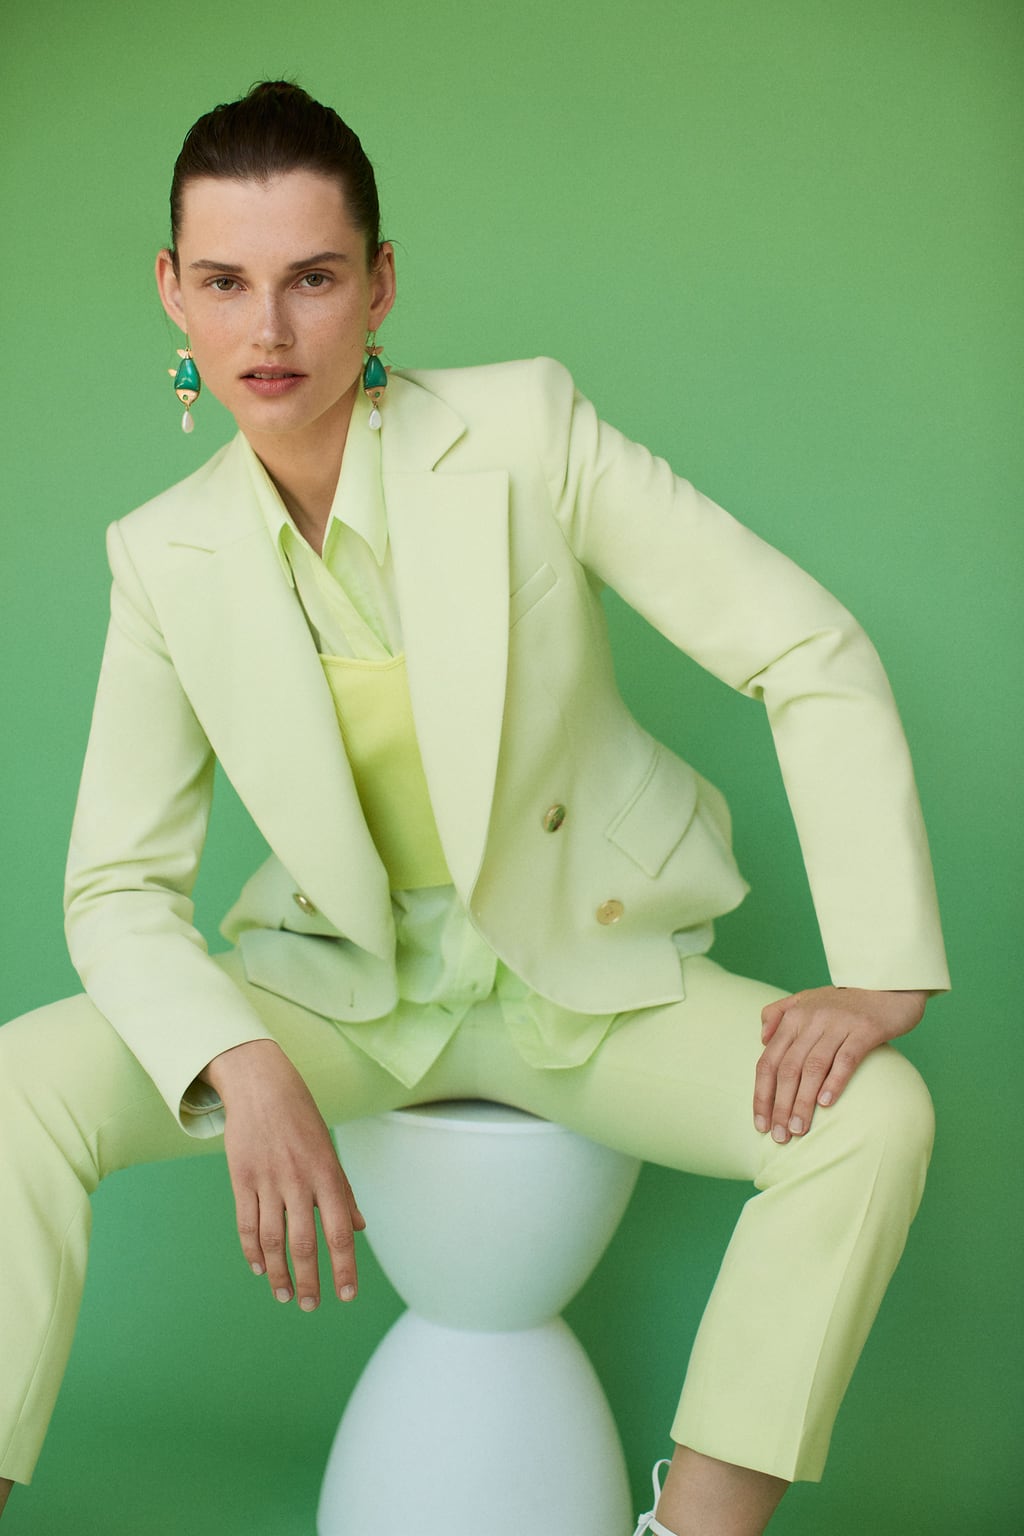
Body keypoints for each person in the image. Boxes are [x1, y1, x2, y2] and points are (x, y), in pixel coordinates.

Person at [0, 80, 948, 1536]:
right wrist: (241, 1061)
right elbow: (117, 888)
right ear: (172, 294)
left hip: (584, 977)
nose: (269, 330)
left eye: (314, 278)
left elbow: (803, 645)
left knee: (875, 1119)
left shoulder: (523, 431)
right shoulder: (163, 554)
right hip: (343, 994)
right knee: (19, 1089)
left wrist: (881, 968)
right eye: (227, 283)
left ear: (380, 285)